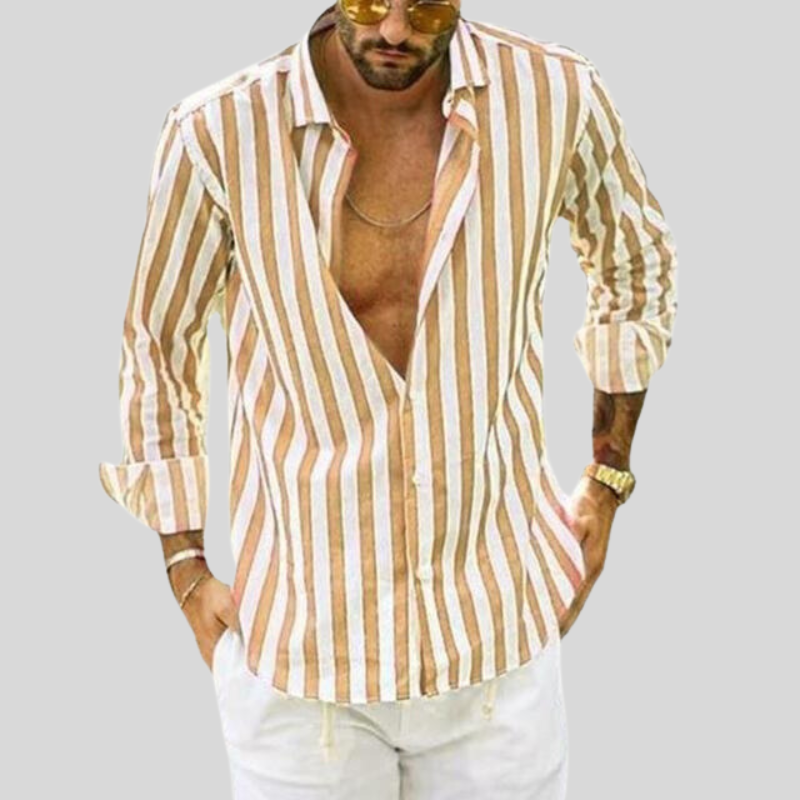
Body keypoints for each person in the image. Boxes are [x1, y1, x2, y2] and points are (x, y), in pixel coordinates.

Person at [98, 1, 678, 797]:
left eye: (426, 5)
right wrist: (184, 565)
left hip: (498, 650)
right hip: (303, 669)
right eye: (371, 2)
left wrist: (607, 479)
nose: (397, 30)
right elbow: (157, 343)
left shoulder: (555, 95)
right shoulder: (219, 132)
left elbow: (636, 265)